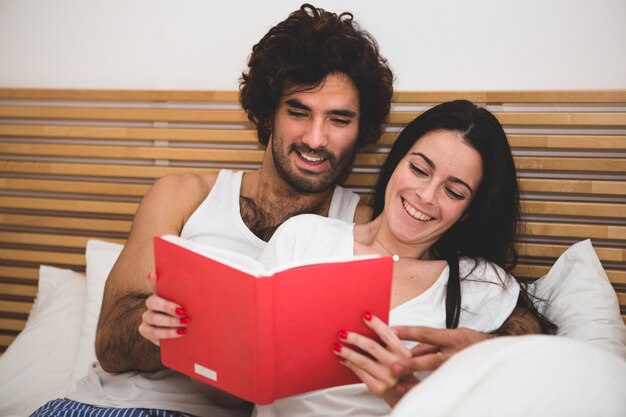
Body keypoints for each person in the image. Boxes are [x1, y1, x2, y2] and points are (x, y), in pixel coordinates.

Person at [29, 4, 394, 417]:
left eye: (339, 119)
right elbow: (111, 342)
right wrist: (178, 331)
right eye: (297, 111)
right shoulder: (183, 196)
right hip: (105, 406)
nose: (315, 138)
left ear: (361, 130)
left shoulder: (364, 226)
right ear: (268, 113)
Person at [141, 100, 555, 417]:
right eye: (420, 169)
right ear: (397, 165)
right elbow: (241, 394)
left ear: (469, 210)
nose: (426, 196)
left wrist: (416, 390)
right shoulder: (305, 236)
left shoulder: (478, 281)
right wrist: (188, 339)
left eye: (454, 191)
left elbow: (541, 376)